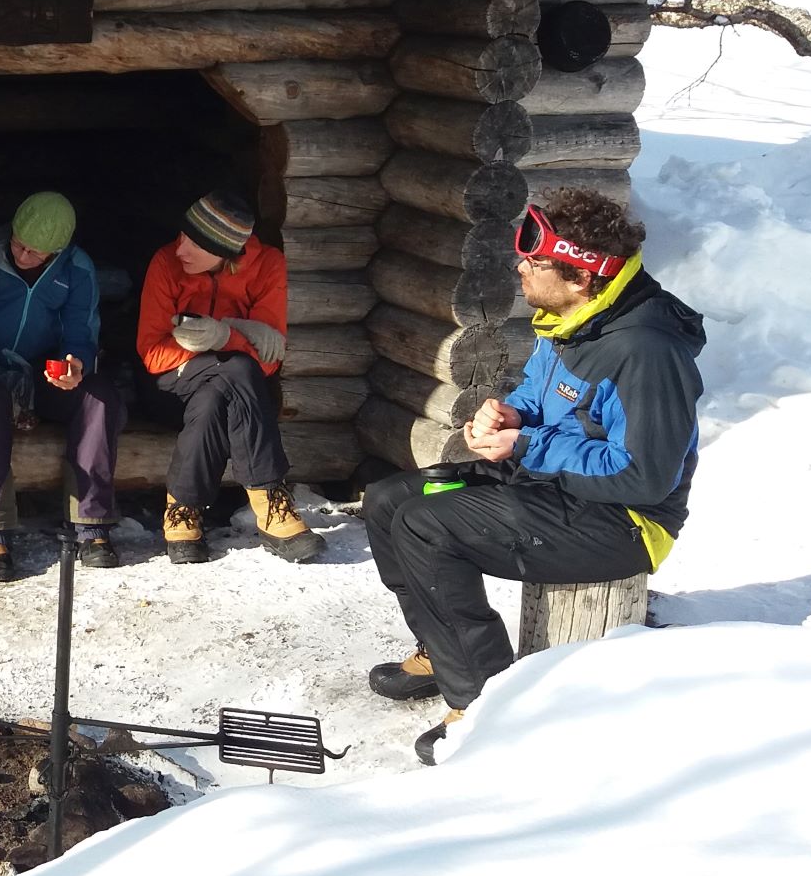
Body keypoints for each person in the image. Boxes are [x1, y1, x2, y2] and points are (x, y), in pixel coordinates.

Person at [363, 189, 706, 765]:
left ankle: (486, 708)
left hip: (622, 522)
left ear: (579, 276)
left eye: (534, 260)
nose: (519, 265)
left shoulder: (646, 352)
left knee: (428, 526)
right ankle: (444, 648)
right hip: (555, 486)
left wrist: (527, 444)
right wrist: (513, 414)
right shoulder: (574, 320)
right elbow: (542, 397)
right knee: (392, 499)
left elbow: (644, 477)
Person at [0, 190, 125, 579]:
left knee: (100, 396)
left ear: (56, 252)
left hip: (42, 375)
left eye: (35, 254)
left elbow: (82, 335)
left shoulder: (77, 269)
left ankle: (93, 526)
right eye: (19, 246)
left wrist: (76, 366)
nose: (23, 258)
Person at [135, 189, 326, 565]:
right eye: (183, 236)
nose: (180, 250)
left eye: (194, 244)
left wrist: (225, 334)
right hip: (169, 385)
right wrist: (234, 340)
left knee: (219, 391)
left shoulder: (268, 264)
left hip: (229, 391)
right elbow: (153, 354)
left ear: (224, 251)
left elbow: (269, 362)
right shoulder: (165, 262)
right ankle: (271, 501)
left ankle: (182, 510)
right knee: (236, 369)